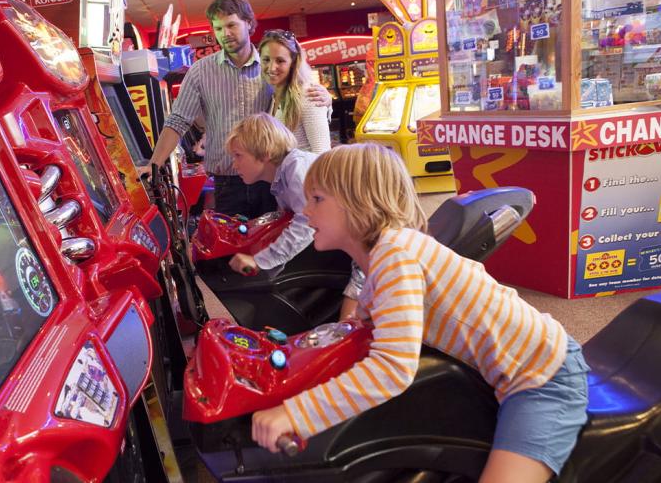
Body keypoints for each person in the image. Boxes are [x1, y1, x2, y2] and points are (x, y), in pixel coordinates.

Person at [251, 144, 590, 483]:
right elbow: (360, 331)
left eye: (317, 199)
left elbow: (393, 367)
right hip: (504, 369)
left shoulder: (395, 256)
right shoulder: (380, 258)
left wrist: (295, 414)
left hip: (544, 376)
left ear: (359, 202)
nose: (306, 211)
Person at [139, 0, 330, 218]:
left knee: (272, 247)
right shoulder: (201, 71)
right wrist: (154, 164)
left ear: (248, 24)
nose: (225, 34)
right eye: (218, 28)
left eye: (231, 25)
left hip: (272, 181)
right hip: (227, 184)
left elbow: (302, 98)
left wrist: (326, 102)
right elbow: (178, 121)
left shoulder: (270, 65)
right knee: (232, 250)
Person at [223, 113, 316, 276]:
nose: (235, 165)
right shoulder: (279, 177)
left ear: (266, 153)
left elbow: (307, 223)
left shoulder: (295, 167)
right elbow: (285, 221)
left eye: (238, 156)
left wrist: (261, 261)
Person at [258, 29, 330, 154]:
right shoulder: (273, 94)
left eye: (280, 61)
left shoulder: (308, 96)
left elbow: (322, 155)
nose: (271, 67)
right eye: (266, 60)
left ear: (293, 62)